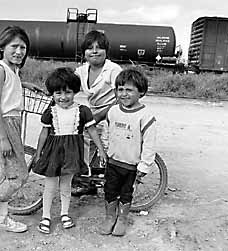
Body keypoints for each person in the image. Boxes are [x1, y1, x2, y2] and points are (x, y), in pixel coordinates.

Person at [0, 26, 42, 233]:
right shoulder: (1, 68)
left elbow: (9, 89)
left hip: (12, 123)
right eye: (14, 46)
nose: (19, 51)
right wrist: (3, 138)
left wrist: (26, 85)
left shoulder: (12, 70)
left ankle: (3, 219)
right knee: (19, 177)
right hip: (4, 124)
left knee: (9, 174)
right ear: (2, 47)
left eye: (23, 47)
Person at [32, 67, 107, 234]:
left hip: (72, 153)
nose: (63, 97)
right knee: (50, 186)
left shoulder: (83, 111)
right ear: (52, 94)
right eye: (58, 93)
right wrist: (38, 153)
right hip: (53, 153)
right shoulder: (50, 112)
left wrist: (101, 150)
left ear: (75, 92)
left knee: (66, 185)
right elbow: (44, 133)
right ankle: (46, 216)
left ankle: (64, 214)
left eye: (67, 92)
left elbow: (92, 130)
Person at [98, 68, 156, 236]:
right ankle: (110, 218)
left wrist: (144, 167)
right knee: (109, 190)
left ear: (141, 92)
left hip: (131, 166)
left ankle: (122, 219)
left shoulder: (146, 116)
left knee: (126, 193)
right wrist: (106, 151)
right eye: (120, 89)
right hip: (113, 162)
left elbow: (149, 145)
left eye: (129, 90)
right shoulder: (113, 111)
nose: (123, 94)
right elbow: (106, 132)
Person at [73, 30, 122, 196]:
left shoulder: (113, 70)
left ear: (106, 51)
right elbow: (68, 86)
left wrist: (101, 115)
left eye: (99, 47)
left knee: (100, 145)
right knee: (81, 138)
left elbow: (121, 98)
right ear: (84, 52)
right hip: (93, 115)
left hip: (112, 114)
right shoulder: (81, 71)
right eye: (89, 48)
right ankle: (89, 183)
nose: (94, 51)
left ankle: (88, 178)